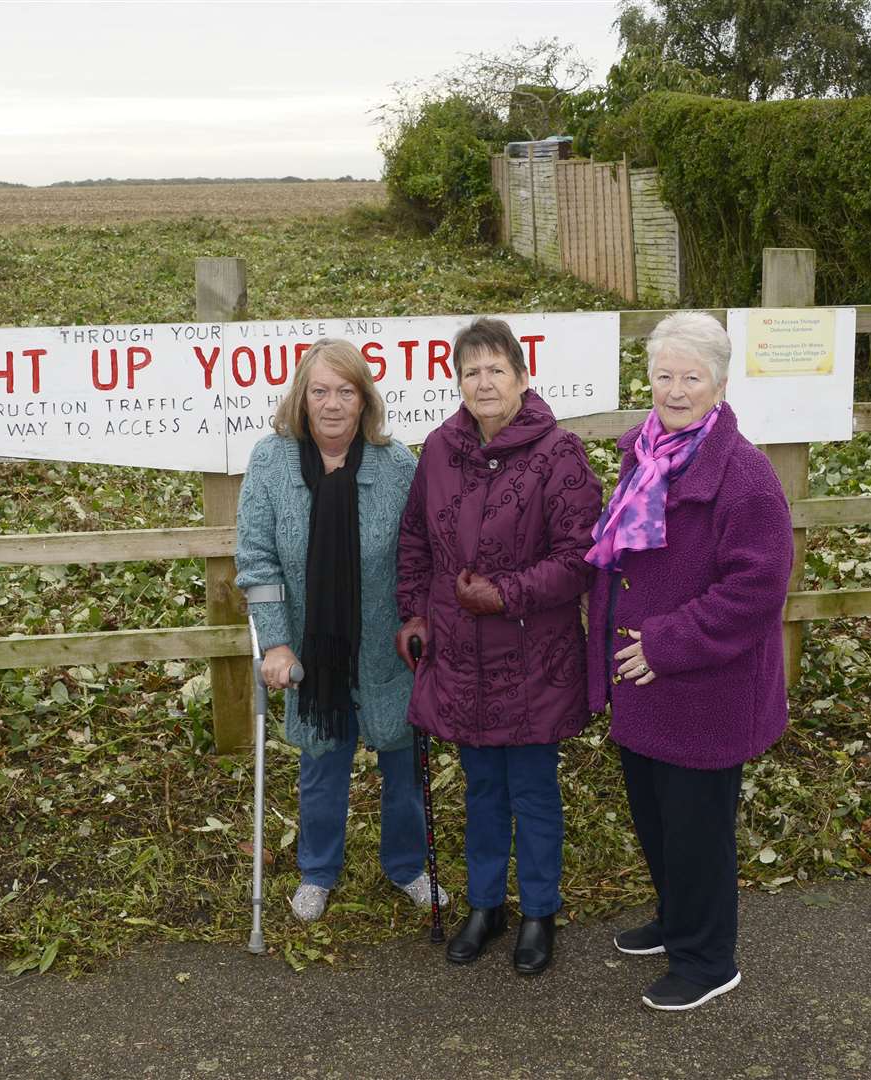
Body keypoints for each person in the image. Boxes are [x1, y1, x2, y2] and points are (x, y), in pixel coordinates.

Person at [585, 310, 794, 1012]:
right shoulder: (646, 453)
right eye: (663, 375)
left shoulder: (746, 476)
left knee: (698, 828)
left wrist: (665, 643)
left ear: (720, 382)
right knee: (656, 817)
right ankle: (678, 922)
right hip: (642, 683)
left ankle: (708, 961)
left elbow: (757, 590)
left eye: (691, 377)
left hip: (703, 686)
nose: (675, 390)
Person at [396, 316, 602, 976]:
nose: (483, 382)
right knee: (481, 787)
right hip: (459, 658)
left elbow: (582, 557)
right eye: (471, 371)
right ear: (457, 382)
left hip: (533, 659)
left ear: (521, 377)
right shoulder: (437, 450)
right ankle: (486, 906)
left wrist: (506, 593)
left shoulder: (559, 455)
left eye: (496, 369)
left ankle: (540, 911)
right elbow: (415, 544)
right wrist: (413, 615)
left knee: (534, 789)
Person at [235, 339, 446, 924]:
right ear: (302, 398)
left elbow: (419, 555)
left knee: (402, 765)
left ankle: (407, 867)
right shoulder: (271, 462)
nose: (332, 404)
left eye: (345, 392)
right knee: (321, 764)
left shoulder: (396, 464)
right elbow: (256, 560)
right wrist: (276, 642)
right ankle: (317, 872)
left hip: (385, 649)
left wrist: (419, 620)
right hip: (312, 654)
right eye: (320, 391)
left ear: (364, 401)